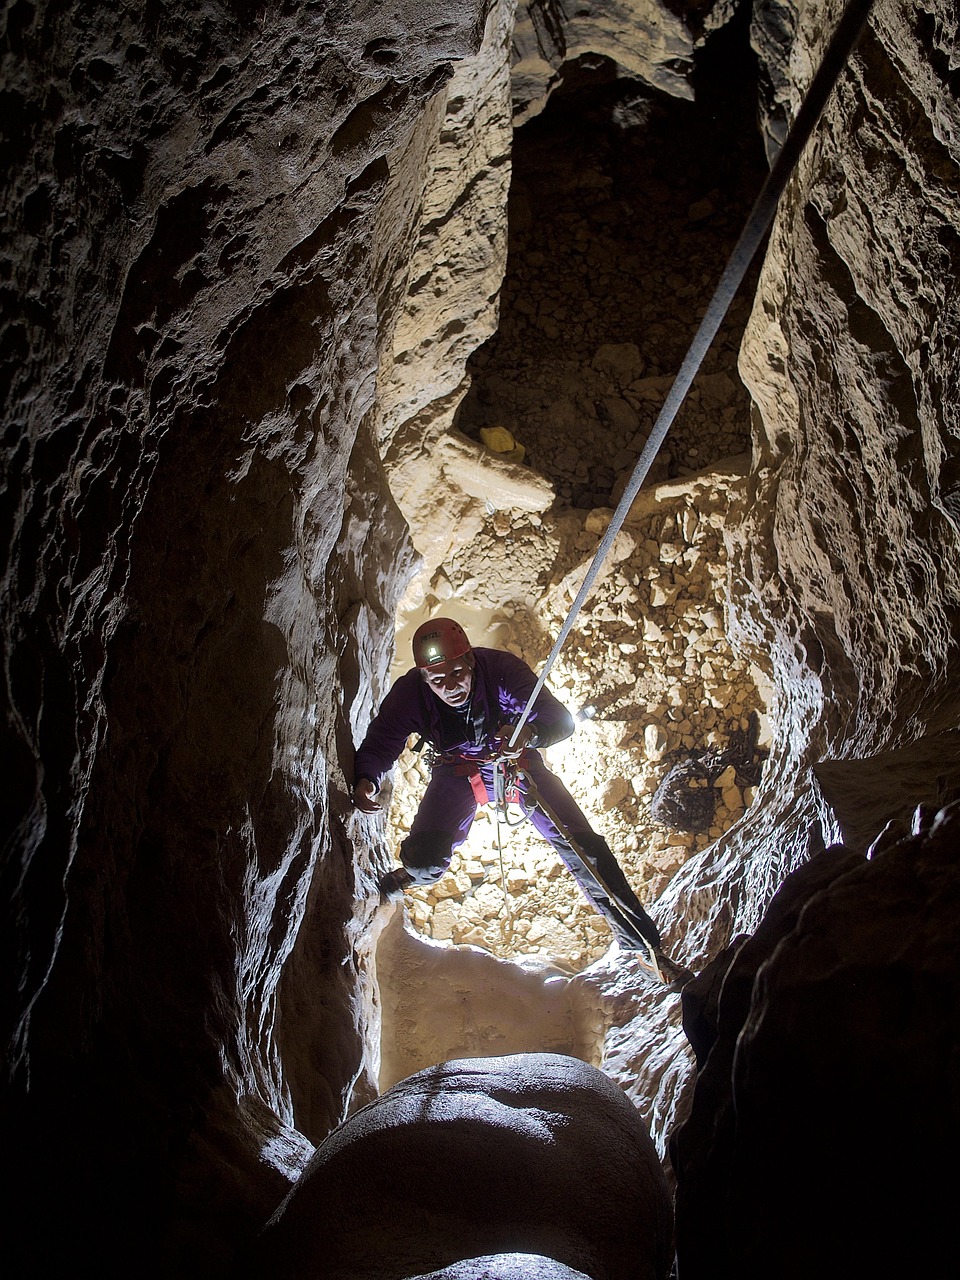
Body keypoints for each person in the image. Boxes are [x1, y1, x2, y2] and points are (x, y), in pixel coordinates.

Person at [352, 616, 691, 985]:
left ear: (469, 660)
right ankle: (413, 876)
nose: (450, 687)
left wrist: (529, 733)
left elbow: (560, 720)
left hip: (516, 762)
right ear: (424, 678)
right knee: (424, 859)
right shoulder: (410, 694)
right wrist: (367, 775)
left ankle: (644, 946)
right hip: (459, 773)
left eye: (456, 673)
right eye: (438, 680)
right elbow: (383, 738)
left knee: (583, 847)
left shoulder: (500, 671)